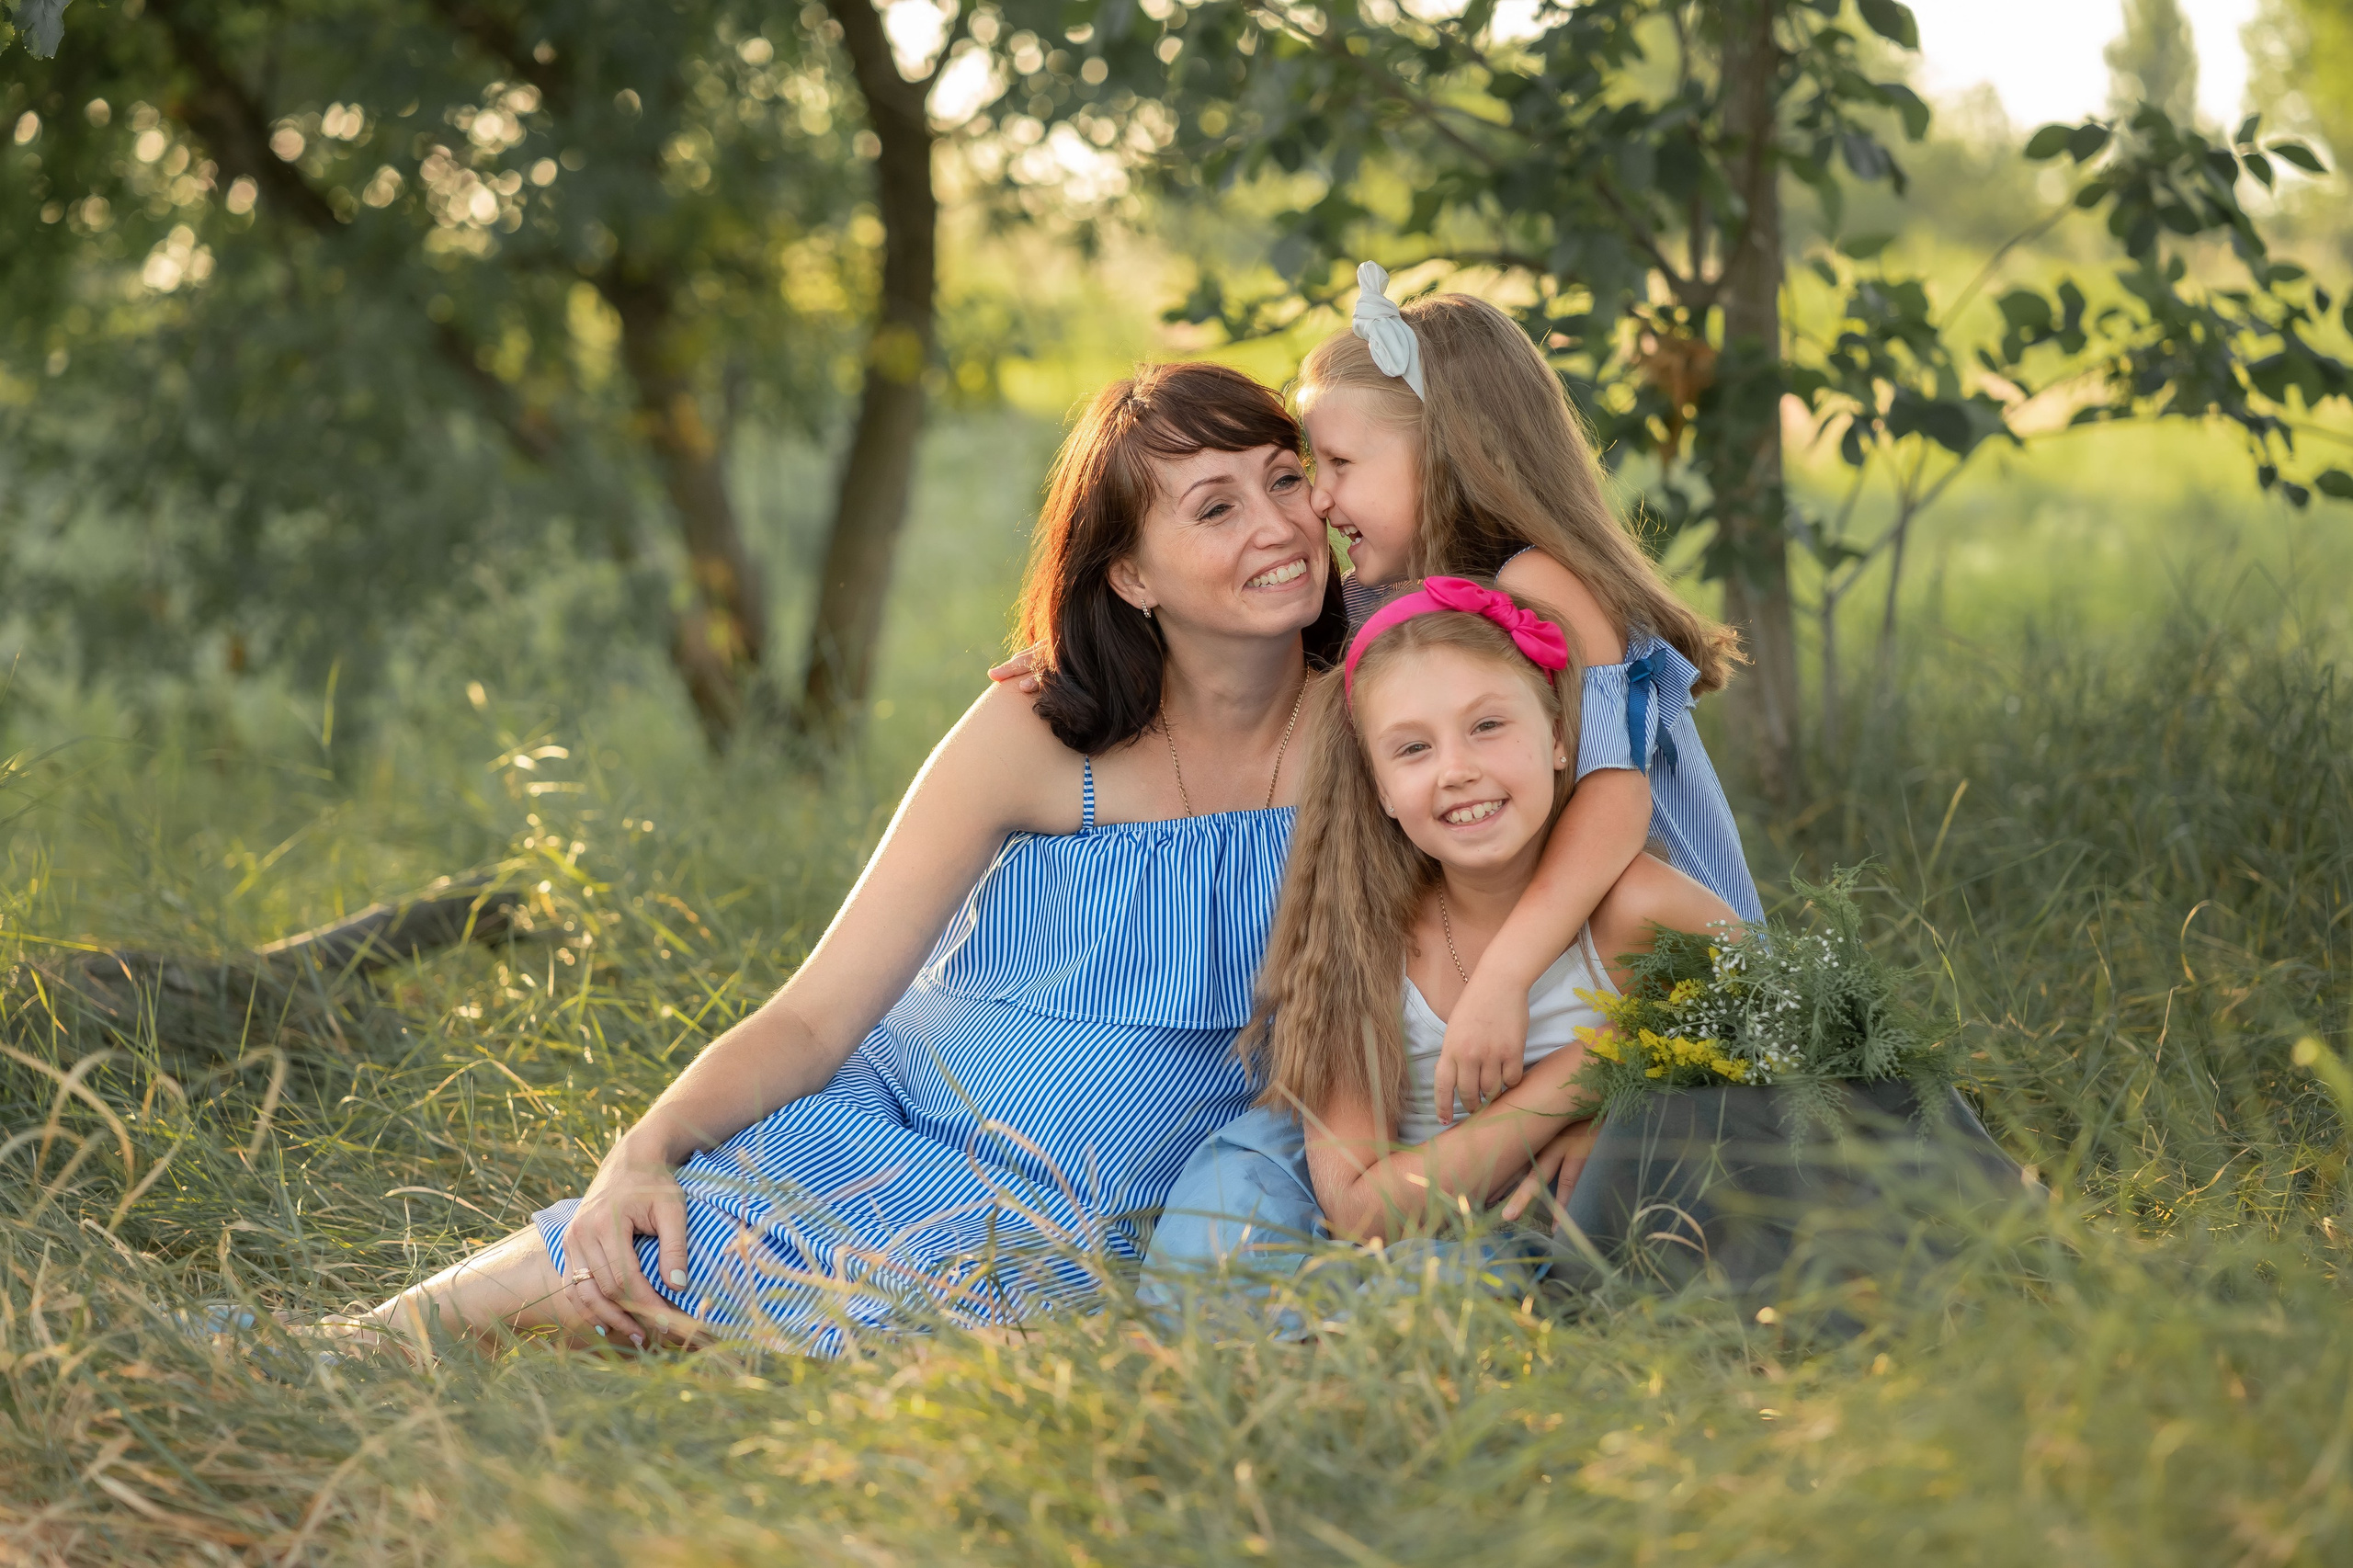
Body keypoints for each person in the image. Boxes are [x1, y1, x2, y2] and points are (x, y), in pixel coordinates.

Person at [341, 361, 1349, 1357]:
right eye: (1214, 509)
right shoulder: (1034, 731)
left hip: (1143, 1207)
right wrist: (641, 1148)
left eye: (1286, 478)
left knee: (964, 1347)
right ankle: (325, 1347)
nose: (1277, 524)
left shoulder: (1384, 712)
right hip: (906, 1133)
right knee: (621, 1262)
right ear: (1129, 573)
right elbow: (818, 1013)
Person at [1138, 582, 1736, 1290]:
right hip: (1378, 1218)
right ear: (1382, 790)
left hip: (1527, 1239)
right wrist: (1584, 1075)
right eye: (1414, 749)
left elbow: (1807, 1024)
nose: (1457, 770)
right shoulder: (1364, 939)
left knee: (1448, 1290)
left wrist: (1629, 1106)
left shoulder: (1636, 910)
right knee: (1232, 1218)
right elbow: (1362, 1211)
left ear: (1557, 739)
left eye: (1488, 727)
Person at [1296, 262, 1761, 1129]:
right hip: (1548, 935)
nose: (1320, 497)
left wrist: (1502, 979)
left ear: (1442, 451)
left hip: (1639, 939)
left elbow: (1616, 803)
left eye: (1340, 463)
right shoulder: (1398, 595)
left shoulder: (1539, 580)